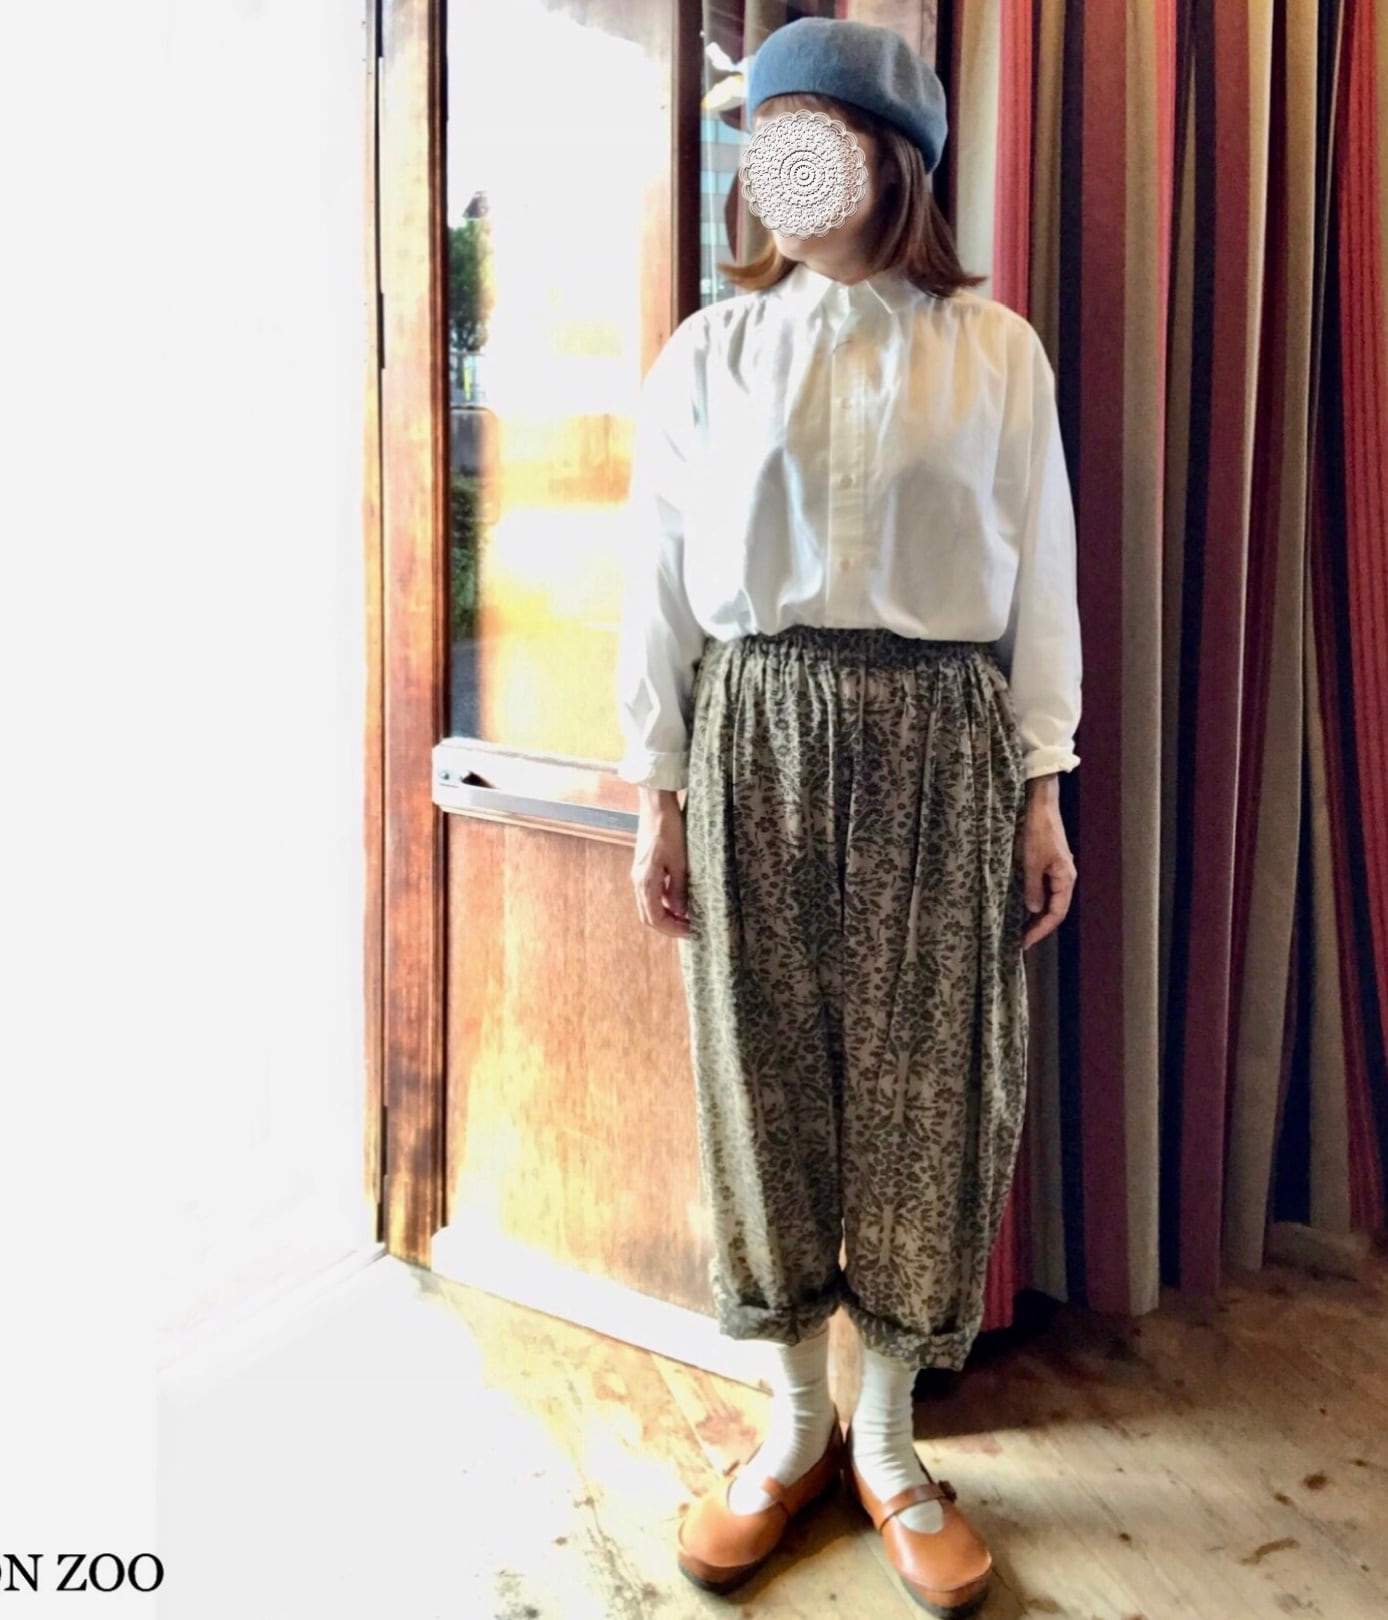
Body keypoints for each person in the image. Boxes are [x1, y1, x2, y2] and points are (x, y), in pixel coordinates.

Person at [612, 17, 1082, 1618]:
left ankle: (888, 1444)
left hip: (944, 741)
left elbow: (1044, 587)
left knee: (925, 1090)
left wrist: (1044, 788)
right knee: (763, 1083)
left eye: (815, 142)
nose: (780, 173)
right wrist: (659, 794)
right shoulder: (713, 355)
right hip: (751, 736)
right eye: (767, 146)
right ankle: (792, 1429)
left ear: (899, 164)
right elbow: (657, 589)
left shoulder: (995, 355)